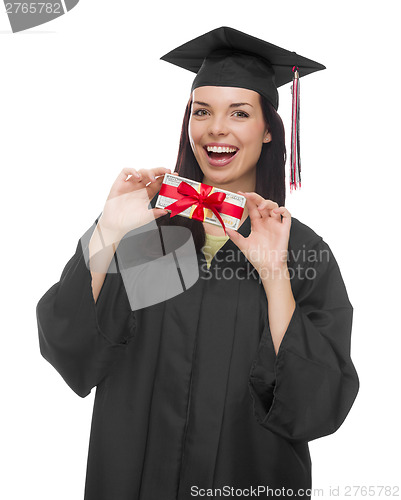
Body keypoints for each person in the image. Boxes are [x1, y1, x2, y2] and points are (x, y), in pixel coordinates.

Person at [36, 27, 359, 500]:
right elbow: (74, 347)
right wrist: (106, 231)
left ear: (269, 129)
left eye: (240, 113)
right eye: (201, 111)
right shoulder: (153, 235)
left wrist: (273, 276)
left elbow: (318, 404)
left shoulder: (301, 251)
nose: (216, 128)